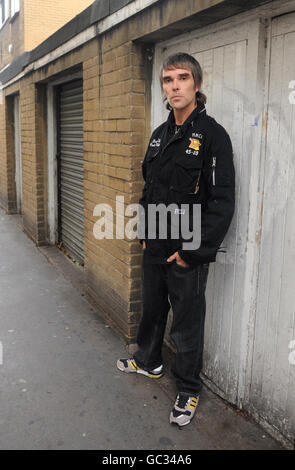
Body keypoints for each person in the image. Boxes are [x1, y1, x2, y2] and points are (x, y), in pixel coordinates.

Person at [117, 53, 235, 427]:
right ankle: (148, 361)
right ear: (164, 88)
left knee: (186, 322)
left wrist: (193, 253)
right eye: (168, 80)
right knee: (152, 309)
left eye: (183, 78)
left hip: (186, 250)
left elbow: (222, 202)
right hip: (154, 245)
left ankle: (187, 388)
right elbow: (148, 189)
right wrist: (143, 233)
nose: (175, 86)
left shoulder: (213, 136)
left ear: (196, 85)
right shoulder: (158, 136)